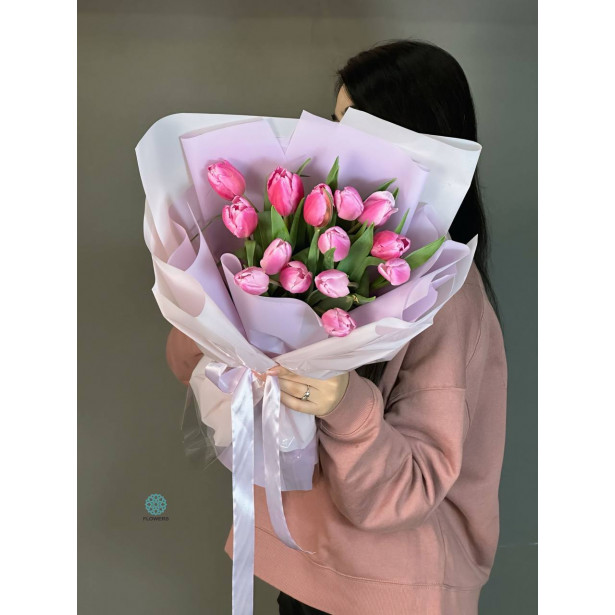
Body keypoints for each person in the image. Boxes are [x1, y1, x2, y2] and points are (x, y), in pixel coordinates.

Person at [166, 38, 507, 615]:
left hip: (389, 594)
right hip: (305, 569)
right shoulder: (310, 242)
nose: (335, 145)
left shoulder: (447, 293)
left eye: (357, 128)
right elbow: (186, 359)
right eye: (334, 121)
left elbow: (409, 490)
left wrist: (344, 403)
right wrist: (229, 318)